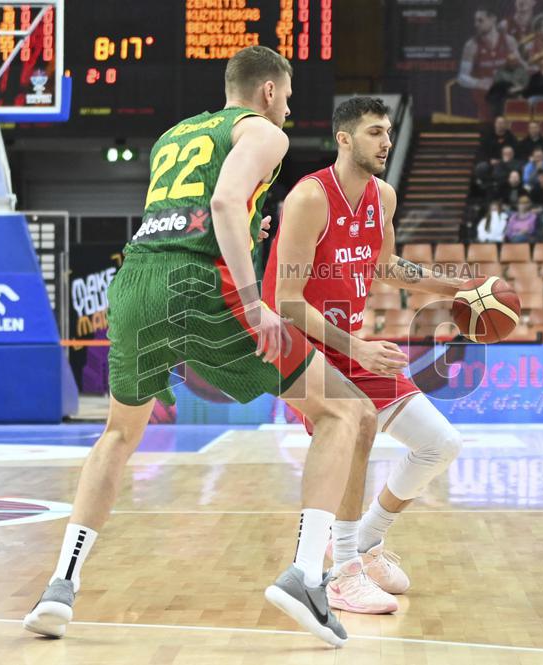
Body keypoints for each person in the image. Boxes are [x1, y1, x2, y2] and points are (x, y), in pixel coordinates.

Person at [23, 46, 369, 647]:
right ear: (267, 92)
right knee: (343, 409)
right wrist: (253, 300)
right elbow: (221, 202)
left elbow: (193, 209)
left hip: (135, 281)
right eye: (286, 96)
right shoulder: (264, 133)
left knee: (118, 435)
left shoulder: (173, 136)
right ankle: (307, 576)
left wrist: (252, 224)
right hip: (200, 285)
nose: (287, 108)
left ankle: (60, 586)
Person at [263, 96, 464, 614]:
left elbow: (385, 266)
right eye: (375, 132)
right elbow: (285, 301)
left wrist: (458, 288)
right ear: (345, 139)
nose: (387, 141)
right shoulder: (310, 198)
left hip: (349, 344)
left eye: (389, 132)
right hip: (297, 342)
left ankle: (366, 542)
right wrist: (357, 347)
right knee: (358, 425)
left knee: (440, 443)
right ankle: (342, 571)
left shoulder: (384, 197)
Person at [458, 8, 521, 120]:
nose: (476, 24)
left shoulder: (509, 41)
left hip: (507, 99)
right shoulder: (471, 46)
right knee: (487, 133)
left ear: (492, 19)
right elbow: (461, 78)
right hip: (484, 101)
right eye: (475, 21)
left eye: (480, 20)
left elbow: (519, 70)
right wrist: (480, 83)